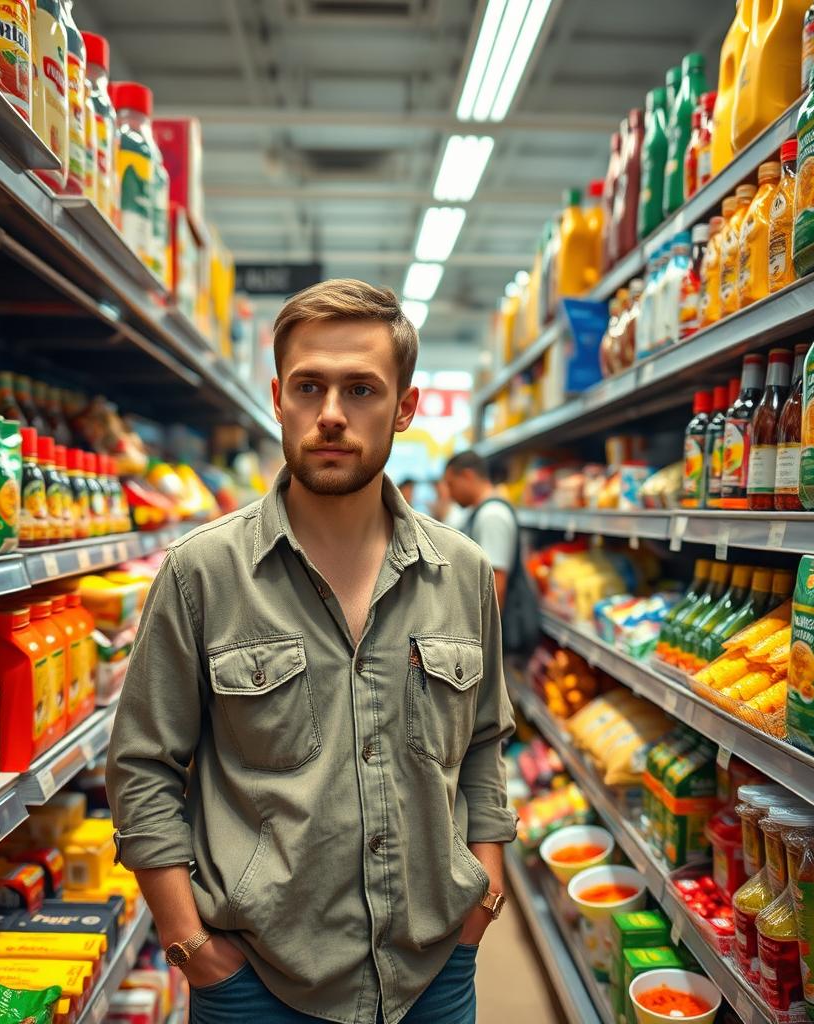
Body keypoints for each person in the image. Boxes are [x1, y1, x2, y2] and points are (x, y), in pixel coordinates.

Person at [107, 279, 517, 1024]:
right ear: (277, 397)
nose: (332, 414)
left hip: (434, 974)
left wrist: (485, 892)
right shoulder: (202, 574)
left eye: (361, 388)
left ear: (404, 408)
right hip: (257, 984)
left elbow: (484, 742)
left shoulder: (462, 574)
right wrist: (186, 940)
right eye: (310, 387)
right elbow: (142, 765)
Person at [443, 451, 539, 652]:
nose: (449, 494)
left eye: (451, 484)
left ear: (468, 476)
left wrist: (484, 644)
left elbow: (496, 582)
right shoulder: (481, 513)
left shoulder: (491, 516)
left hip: (497, 635)